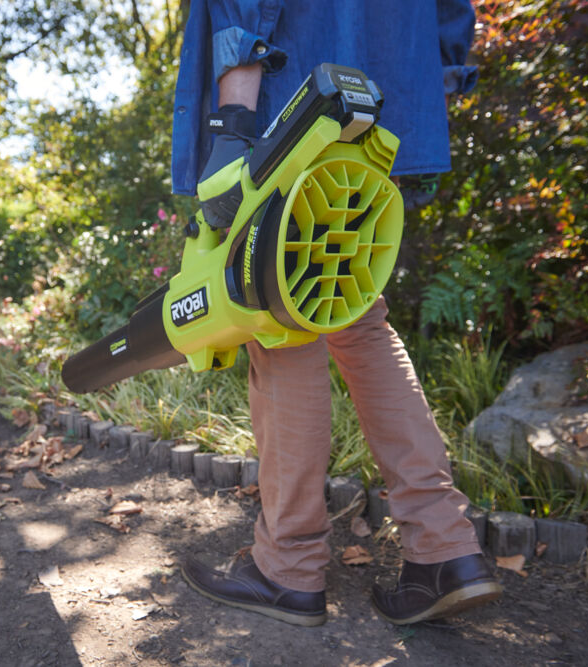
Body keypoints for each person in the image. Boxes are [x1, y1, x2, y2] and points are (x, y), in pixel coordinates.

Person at [171, 0, 502, 626]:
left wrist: (234, 120)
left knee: (278, 311)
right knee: (351, 307)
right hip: (386, 88)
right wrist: (427, 86)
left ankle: (287, 568)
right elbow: (451, 11)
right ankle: (445, 549)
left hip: (290, 93)